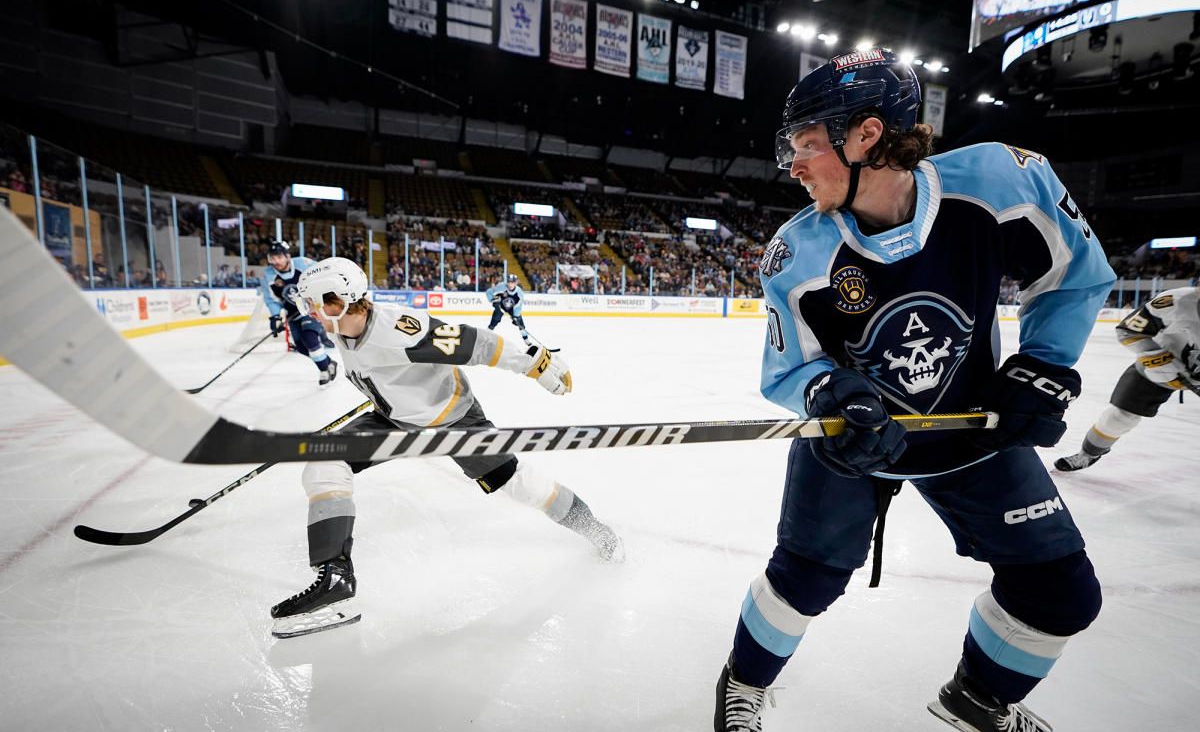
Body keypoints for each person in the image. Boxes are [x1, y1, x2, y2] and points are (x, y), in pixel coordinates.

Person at [713, 48, 1116, 732]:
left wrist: (1044, 364)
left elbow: (1075, 273)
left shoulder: (1000, 182)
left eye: (809, 143)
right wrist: (830, 394)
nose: (794, 164)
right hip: (851, 441)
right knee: (805, 578)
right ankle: (742, 681)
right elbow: (787, 370)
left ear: (866, 135)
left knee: (1061, 592)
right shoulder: (797, 252)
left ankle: (979, 699)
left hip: (971, 432)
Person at [270, 257, 622, 639]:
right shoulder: (341, 328)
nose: (310, 313)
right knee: (325, 460)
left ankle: (598, 532)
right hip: (395, 421)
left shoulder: (399, 329)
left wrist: (534, 364)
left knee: (521, 485)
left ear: (338, 300)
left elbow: (475, 343)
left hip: (455, 421)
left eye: (313, 304)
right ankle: (336, 577)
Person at [1055, 286, 1199, 471]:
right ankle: (1088, 454)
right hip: (1163, 365)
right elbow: (1129, 331)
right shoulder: (1176, 301)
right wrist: (1162, 363)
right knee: (1120, 416)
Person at [261, 240, 338, 386]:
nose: (276, 261)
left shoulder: (303, 263)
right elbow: (270, 299)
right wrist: (276, 316)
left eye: (279, 257)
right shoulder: (269, 275)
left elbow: (324, 273)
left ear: (287, 256)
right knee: (302, 347)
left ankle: (323, 370)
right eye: (272, 257)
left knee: (310, 339)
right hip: (292, 313)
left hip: (311, 308)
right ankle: (328, 363)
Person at [486, 273, 530, 342]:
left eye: (512, 282)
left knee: (520, 323)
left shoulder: (519, 293)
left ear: (516, 282)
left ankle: (526, 339)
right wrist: (493, 301)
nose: (510, 284)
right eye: (509, 282)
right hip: (501, 306)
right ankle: (487, 334)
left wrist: (515, 316)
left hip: (512, 308)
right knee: (494, 320)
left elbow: (518, 306)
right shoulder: (501, 286)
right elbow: (489, 292)